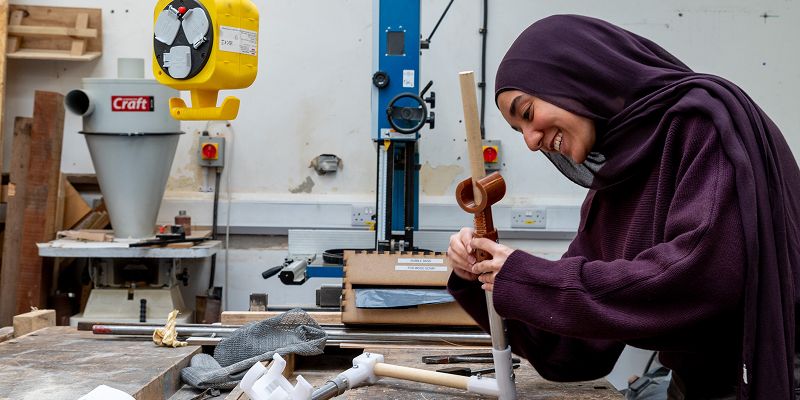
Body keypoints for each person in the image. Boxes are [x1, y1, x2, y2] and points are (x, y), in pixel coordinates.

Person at [447, 14, 800, 400]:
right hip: (696, 387)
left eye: (528, 113)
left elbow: (701, 279)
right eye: (519, 131)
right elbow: (574, 351)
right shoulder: (615, 180)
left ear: (575, 76)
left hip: (767, 379)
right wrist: (481, 278)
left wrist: (528, 278)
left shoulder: (701, 124)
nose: (531, 142)